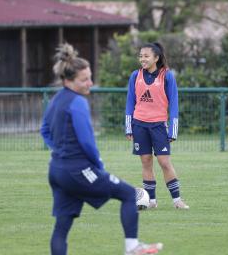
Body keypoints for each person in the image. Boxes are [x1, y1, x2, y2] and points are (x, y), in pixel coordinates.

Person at [41, 43, 163, 255]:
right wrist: (98, 165)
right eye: (84, 79)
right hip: (77, 170)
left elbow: (44, 130)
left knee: (62, 227)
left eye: (90, 77)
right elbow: (87, 142)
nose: (91, 83)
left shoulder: (56, 99)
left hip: (57, 171)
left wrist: (60, 151)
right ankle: (132, 247)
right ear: (68, 80)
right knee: (127, 194)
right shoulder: (78, 102)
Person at [125, 42, 189, 210]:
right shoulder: (135, 75)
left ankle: (177, 201)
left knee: (164, 162)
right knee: (146, 162)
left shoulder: (167, 76)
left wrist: (173, 130)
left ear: (156, 58)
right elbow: (130, 101)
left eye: (146, 56)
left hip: (159, 126)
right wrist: (128, 127)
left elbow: (174, 103)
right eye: (140, 56)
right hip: (139, 124)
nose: (142, 59)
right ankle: (151, 201)